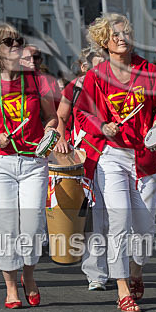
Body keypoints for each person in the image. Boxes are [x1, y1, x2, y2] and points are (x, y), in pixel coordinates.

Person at [76, 13, 156, 312]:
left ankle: (137, 268)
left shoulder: (151, 72)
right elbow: (83, 113)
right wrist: (102, 126)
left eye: (126, 32)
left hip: (144, 157)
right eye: (115, 34)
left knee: (143, 227)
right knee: (119, 222)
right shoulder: (96, 75)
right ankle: (122, 288)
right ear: (105, 42)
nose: (122, 38)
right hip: (111, 157)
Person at [0, 23, 58, 308]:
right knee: (6, 228)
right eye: (9, 42)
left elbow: (52, 118)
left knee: (32, 227)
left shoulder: (36, 80)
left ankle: (28, 275)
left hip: (32, 162)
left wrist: (50, 132)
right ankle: (10, 286)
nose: (17, 45)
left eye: (19, 40)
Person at [54, 47, 110, 291]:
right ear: (85, 67)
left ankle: (119, 268)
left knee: (116, 217)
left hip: (117, 152)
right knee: (95, 217)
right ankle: (96, 272)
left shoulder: (117, 84)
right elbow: (60, 118)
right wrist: (61, 138)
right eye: (96, 65)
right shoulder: (75, 87)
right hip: (87, 155)